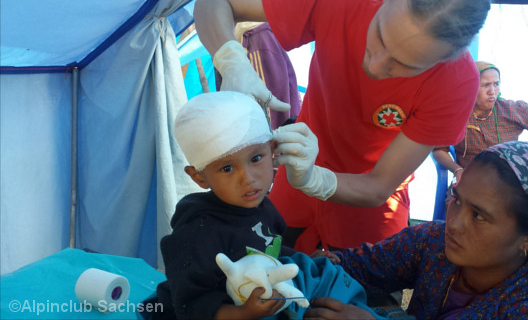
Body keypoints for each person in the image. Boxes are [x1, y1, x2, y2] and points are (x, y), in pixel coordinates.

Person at [193, 0, 491, 254]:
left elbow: (378, 186)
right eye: (380, 35)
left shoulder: (458, 82)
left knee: (363, 298)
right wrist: (231, 61)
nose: (375, 67)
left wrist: (314, 179)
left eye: (405, 66)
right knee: (266, 266)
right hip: (298, 168)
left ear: (445, 60)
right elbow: (214, 4)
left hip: (368, 202)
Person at [304, 141, 528, 319]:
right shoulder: (432, 242)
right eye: (457, 199)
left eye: (479, 216)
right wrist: (321, 266)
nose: (455, 223)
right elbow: (361, 266)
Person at [149, 91, 376, 320]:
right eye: (227, 168)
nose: (247, 178)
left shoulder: (263, 207)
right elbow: (189, 304)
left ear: (272, 149)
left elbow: (272, 248)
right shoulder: (196, 233)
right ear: (199, 177)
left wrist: (308, 256)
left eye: (256, 158)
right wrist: (242, 313)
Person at [432, 61, 528, 182]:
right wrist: (457, 170)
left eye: (496, 84)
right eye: (486, 85)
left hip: (510, 181)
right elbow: (439, 150)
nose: (492, 91)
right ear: (469, 87)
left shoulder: (512, 110)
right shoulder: (456, 114)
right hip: (472, 181)